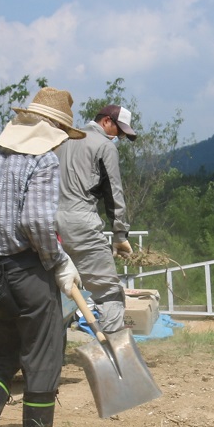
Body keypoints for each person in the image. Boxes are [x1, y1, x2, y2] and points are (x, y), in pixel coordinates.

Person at [0, 87, 86, 427]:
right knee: (44, 354)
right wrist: (58, 260)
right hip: (27, 272)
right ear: (53, 130)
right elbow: (35, 220)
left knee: (1, 354)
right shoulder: (43, 161)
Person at [56, 102, 138, 332]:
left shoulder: (63, 140)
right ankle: (114, 356)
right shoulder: (104, 146)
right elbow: (113, 192)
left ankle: (49, 355)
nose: (119, 137)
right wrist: (120, 233)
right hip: (81, 221)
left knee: (57, 291)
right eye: (118, 130)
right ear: (106, 121)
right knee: (109, 292)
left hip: (49, 224)